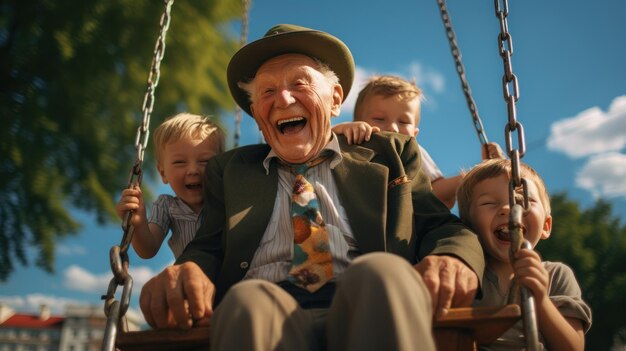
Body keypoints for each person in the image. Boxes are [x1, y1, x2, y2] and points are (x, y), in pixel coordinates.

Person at [139, 24, 485, 351]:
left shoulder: (390, 153)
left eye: (300, 84)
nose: (283, 98)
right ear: (258, 114)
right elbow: (208, 246)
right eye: (268, 91)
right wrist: (186, 270)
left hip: (367, 300)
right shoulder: (230, 171)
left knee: (381, 274)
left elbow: (439, 224)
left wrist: (454, 256)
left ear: (335, 99)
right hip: (268, 306)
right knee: (247, 302)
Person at [456, 159, 592, 351]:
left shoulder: (556, 274)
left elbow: (573, 347)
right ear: (468, 224)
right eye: (488, 203)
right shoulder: (464, 272)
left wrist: (541, 300)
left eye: (522, 200)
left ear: (546, 226)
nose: (508, 209)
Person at [332, 75, 504, 209]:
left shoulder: (413, 152)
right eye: (379, 118)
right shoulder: (352, 142)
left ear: (414, 133)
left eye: (404, 122)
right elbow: (318, 147)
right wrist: (340, 130)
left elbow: (436, 192)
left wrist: (480, 173)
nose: (392, 128)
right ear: (358, 121)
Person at [116, 113, 225, 259]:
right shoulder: (166, 206)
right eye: (180, 162)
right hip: (188, 278)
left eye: (205, 161)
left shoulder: (227, 198)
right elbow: (148, 249)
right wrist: (138, 222)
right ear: (163, 173)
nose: (193, 170)